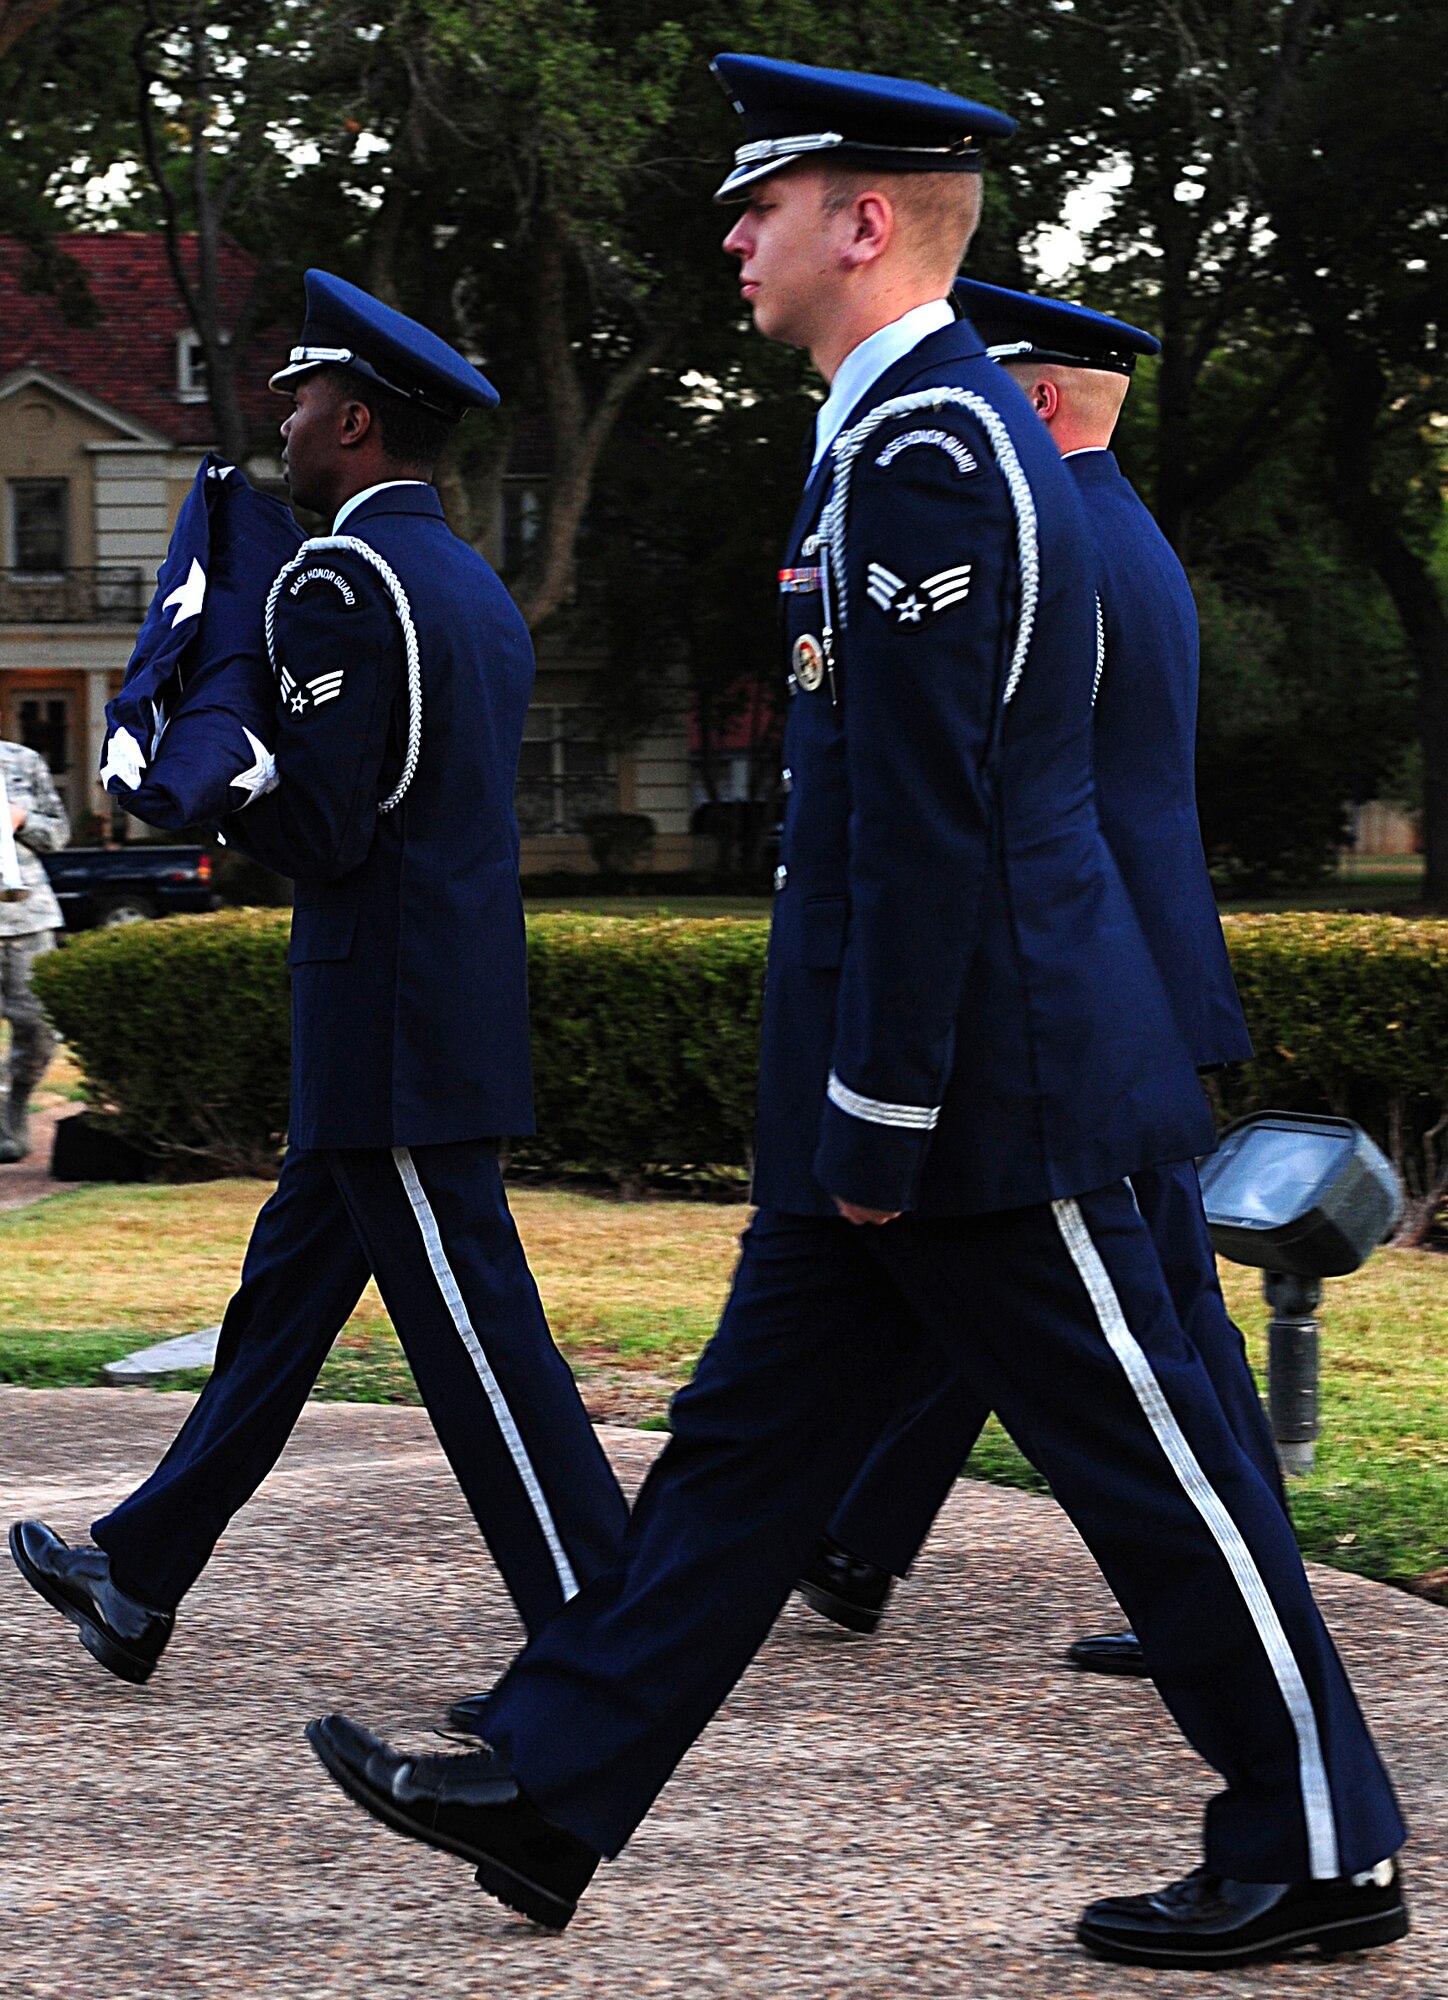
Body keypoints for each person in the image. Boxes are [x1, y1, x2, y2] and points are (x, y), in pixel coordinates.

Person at [306, 59, 1407, 1971]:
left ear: (863, 222)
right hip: (908, 1082)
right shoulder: (887, 436)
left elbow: (932, 820)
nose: (733, 236)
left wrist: (882, 1111)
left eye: (763, 204)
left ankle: (1322, 1842)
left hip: (989, 1085)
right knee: (744, 1447)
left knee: (1155, 1471)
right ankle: (553, 1781)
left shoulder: (929, 452)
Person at [10, 272, 628, 1683]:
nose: (280, 421)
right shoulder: (465, 582)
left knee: (482, 1348)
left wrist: (209, 784)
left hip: (392, 1016)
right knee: (280, 1311)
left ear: (352, 421)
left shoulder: (348, 581)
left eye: (297, 399)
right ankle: (141, 1571)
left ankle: (610, 1647)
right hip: (419, 1001)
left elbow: (337, 823)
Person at [799, 280, 1280, 1679]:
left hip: (1093, 978)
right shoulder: (1122, 537)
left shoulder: (1062, 540)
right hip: (1127, 967)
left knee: (1157, 1314)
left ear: (1045, 399)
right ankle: (859, 1535)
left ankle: (1235, 1593)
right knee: (1016, 1291)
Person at [0, 737, 69, 1163]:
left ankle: (13, 1106)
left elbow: (59, 833)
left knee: (39, 1030)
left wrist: (22, 820)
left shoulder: (22, 761)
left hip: (27, 919)